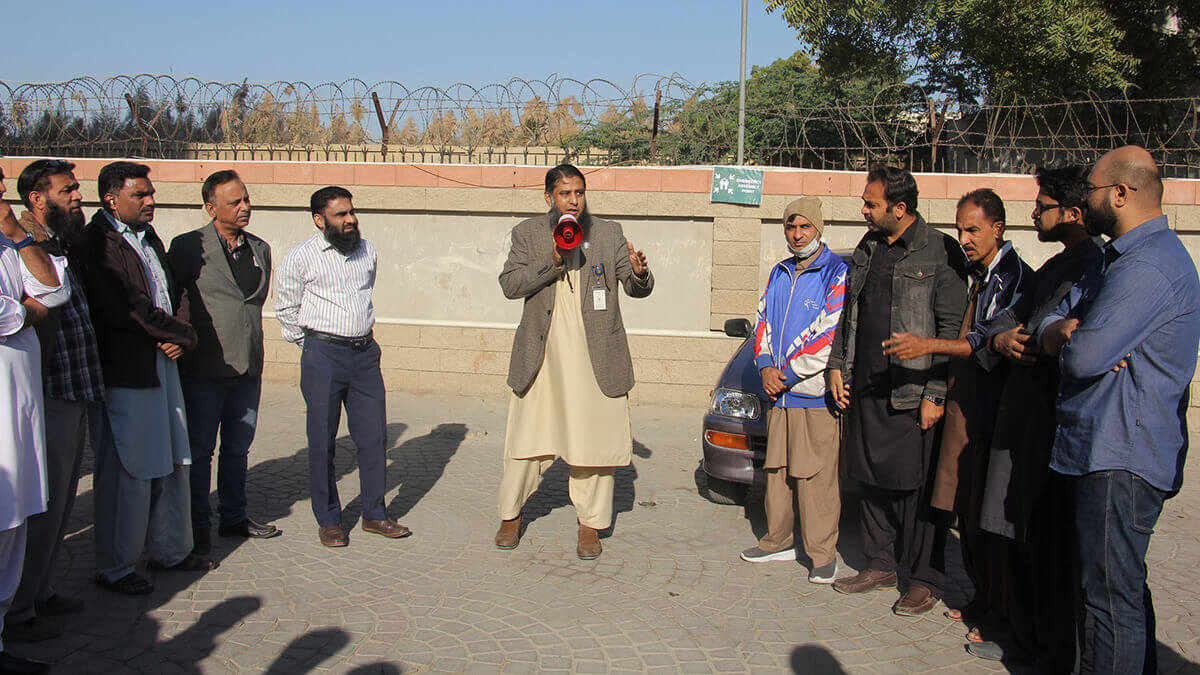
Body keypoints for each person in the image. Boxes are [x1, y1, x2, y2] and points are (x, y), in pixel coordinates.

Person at [1039, 146, 1200, 674]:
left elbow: (1083, 357)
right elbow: (1052, 324)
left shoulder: (1149, 266)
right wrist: (1065, 332)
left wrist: (1077, 340)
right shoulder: (1114, 259)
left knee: (1109, 603)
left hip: (1121, 457)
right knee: (1115, 589)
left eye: (1091, 190)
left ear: (1121, 194)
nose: (1084, 200)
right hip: (1097, 448)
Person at [881, 188, 1032, 642]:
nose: (964, 239)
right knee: (963, 509)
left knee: (990, 517)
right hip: (965, 406)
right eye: (960, 229)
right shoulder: (979, 274)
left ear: (998, 229)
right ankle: (983, 601)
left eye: (973, 230)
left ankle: (1000, 614)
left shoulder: (1014, 278)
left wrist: (926, 345)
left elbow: (985, 340)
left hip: (992, 414)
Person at [970, 165, 1103, 668]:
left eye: (1042, 205)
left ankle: (1051, 652)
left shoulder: (1095, 267)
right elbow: (1007, 320)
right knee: (1017, 536)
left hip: (1052, 427)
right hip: (1020, 422)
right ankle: (1023, 640)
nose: (1034, 214)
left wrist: (1030, 336)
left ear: (1072, 213)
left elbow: (1074, 338)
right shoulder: (1054, 266)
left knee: (1049, 546)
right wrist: (999, 339)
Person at [827, 165, 968, 616]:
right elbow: (849, 313)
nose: (863, 210)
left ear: (900, 208)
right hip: (867, 388)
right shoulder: (868, 247)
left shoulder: (939, 250)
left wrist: (935, 394)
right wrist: (836, 365)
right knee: (870, 479)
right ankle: (880, 564)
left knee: (916, 488)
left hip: (912, 393)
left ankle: (924, 578)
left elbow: (951, 328)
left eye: (871, 204)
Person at [494, 164, 653, 560]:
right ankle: (511, 515)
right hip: (543, 356)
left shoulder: (609, 233)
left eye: (579, 192)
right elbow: (510, 285)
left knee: (594, 442)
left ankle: (590, 525)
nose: (574, 201)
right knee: (526, 439)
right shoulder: (528, 233)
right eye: (565, 193)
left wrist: (640, 274)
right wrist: (551, 261)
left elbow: (634, 287)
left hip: (595, 356)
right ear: (549, 197)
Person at [77, 161, 215, 596]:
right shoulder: (96, 243)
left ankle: (170, 551)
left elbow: (174, 293)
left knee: (173, 459)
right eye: (140, 195)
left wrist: (181, 333)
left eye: (150, 193)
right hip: (128, 369)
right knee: (130, 468)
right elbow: (125, 307)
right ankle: (116, 567)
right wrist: (179, 334)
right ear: (111, 199)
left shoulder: (148, 237)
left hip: (164, 362)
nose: (151, 200)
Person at [275, 186, 410, 548]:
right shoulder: (301, 256)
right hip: (323, 355)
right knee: (322, 439)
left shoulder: (368, 251)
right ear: (319, 220)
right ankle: (329, 519)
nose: (350, 220)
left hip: (365, 355)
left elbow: (365, 294)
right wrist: (314, 348)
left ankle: (375, 514)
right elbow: (286, 308)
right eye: (340, 215)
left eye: (351, 212)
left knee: (373, 438)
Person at [3, 160, 99, 644]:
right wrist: (27, 312)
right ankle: (19, 607)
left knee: (57, 500)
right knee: (35, 505)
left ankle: (38, 590)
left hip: (72, 384)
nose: (78, 196)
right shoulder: (27, 238)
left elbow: (55, 295)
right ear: (38, 198)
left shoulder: (46, 241)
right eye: (67, 190)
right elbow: (25, 310)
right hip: (47, 387)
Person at [168, 170, 280, 556]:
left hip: (248, 366)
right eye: (235, 202)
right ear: (210, 207)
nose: (245, 206)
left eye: (246, 198)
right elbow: (172, 298)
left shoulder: (260, 248)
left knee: (237, 448)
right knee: (200, 450)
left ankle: (233, 516)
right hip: (204, 367)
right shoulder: (188, 247)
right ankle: (197, 526)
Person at [737, 197, 846, 584]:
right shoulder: (779, 272)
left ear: (818, 228)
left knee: (815, 478)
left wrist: (787, 374)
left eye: (805, 227)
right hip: (778, 395)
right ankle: (777, 540)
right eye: (790, 227)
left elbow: (830, 335)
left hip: (812, 394)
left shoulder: (836, 272)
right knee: (778, 472)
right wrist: (766, 366)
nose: (797, 235)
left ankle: (822, 554)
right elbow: (763, 322)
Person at [0, 170, 70, 674]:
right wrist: (25, 314)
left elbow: (53, 291)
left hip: (19, 406)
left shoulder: (10, 241)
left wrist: (19, 237)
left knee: (15, 516)